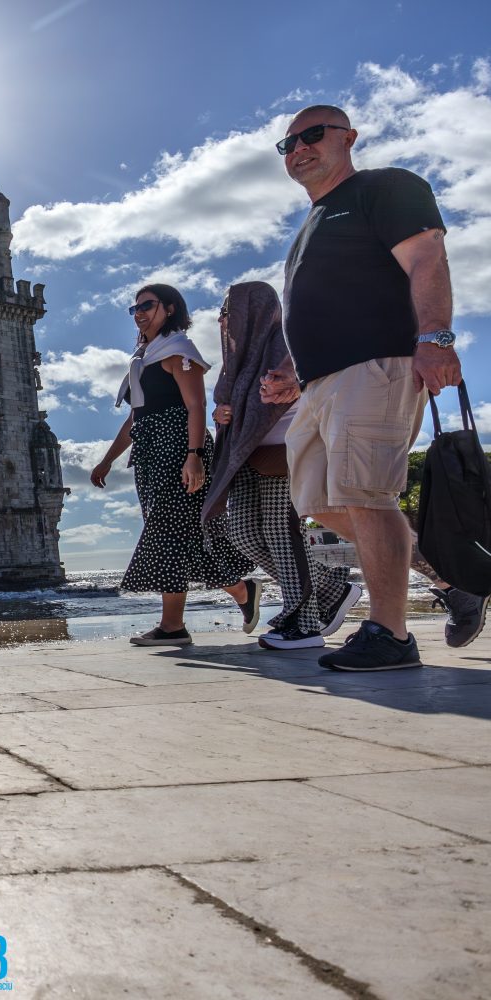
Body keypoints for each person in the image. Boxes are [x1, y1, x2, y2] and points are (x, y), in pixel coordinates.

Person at [262, 104, 462, 671]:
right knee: (318, 500)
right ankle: (455, 580)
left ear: (348, 138)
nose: (298, 148)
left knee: (367, 496)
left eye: (312, 135)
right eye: (289, 143)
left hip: (378, 365)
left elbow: (427, 257)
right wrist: (296, 378)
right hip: (322, 383)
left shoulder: (385, 188)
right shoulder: (310, 225)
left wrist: (436, 338)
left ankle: (390, 635)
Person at [91, 283, 260, 646]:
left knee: (168, 534)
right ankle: (240, 593)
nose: (139, 313)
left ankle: (174, 626)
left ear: (169, 309)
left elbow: (196, 407)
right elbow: (136, 419)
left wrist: (195, 457)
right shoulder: (144, 358)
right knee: (182, 538)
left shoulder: (178, 351)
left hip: (180, 449)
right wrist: (106, 461)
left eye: (147, 306)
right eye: (134, 308)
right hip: (151, 454)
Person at [204, 281, 363, 649]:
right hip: (243, 457)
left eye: (230, 310)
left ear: (255, 310)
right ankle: (332, 588)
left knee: (280, 533)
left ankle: (303, 623)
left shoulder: (288, 344)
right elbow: (233, 403)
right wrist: (223, 413)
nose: (222, 318)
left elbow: (315, 384)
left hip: (284, 453)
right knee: (243, 535)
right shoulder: (238, 358)